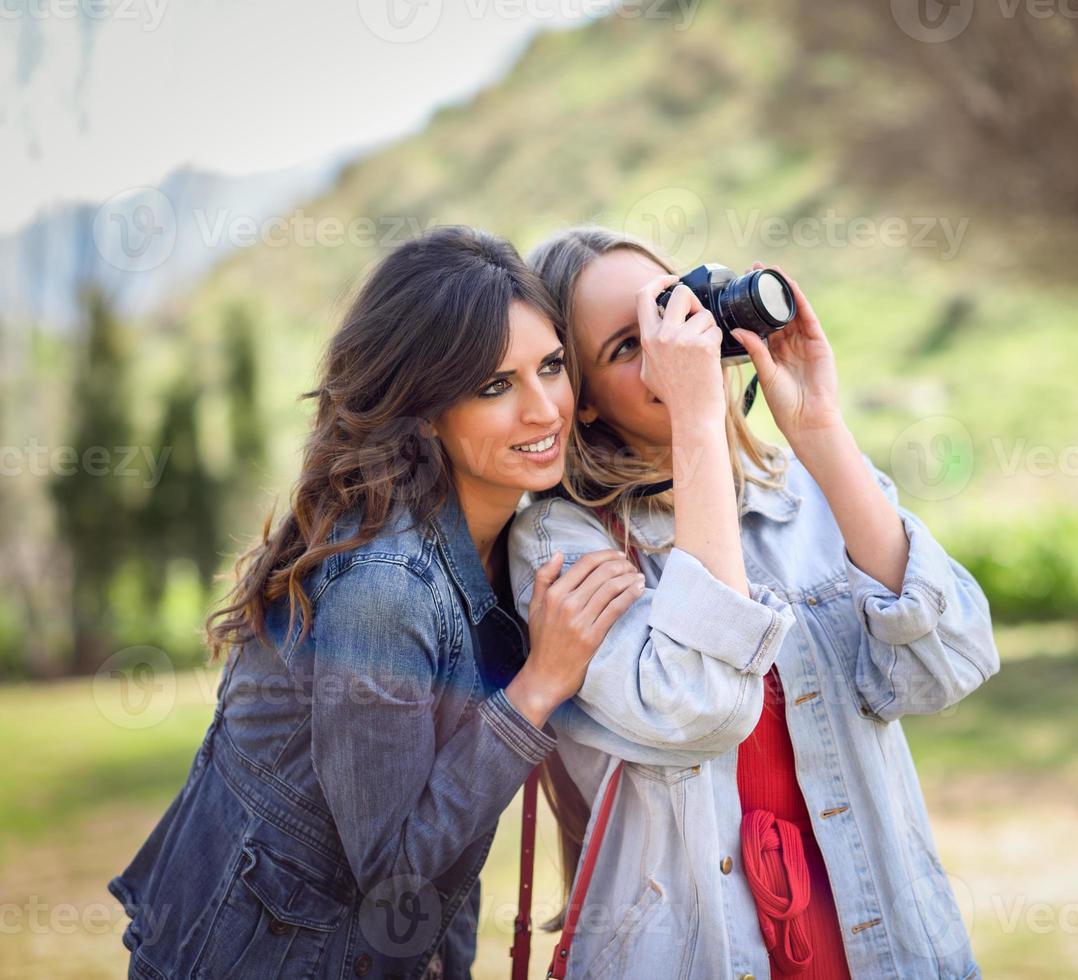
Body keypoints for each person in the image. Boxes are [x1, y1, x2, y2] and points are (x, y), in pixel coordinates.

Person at [107, 226, 645, 980]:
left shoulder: (502, 541)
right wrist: (538, 687)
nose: (544, 409)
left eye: (551, 367)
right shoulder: (386, 588)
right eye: (494, 386)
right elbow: (397, 870)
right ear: (423, 409)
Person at [508, 226, 1000, 979]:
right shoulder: (560, 542)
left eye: (670, 312)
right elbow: (699, 704)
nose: (675, 348)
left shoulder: (805, 490)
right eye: (628, 347)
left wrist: (819, 431)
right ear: (587, 403)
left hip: (881, 942)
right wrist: (696, 424)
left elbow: (950, 665)